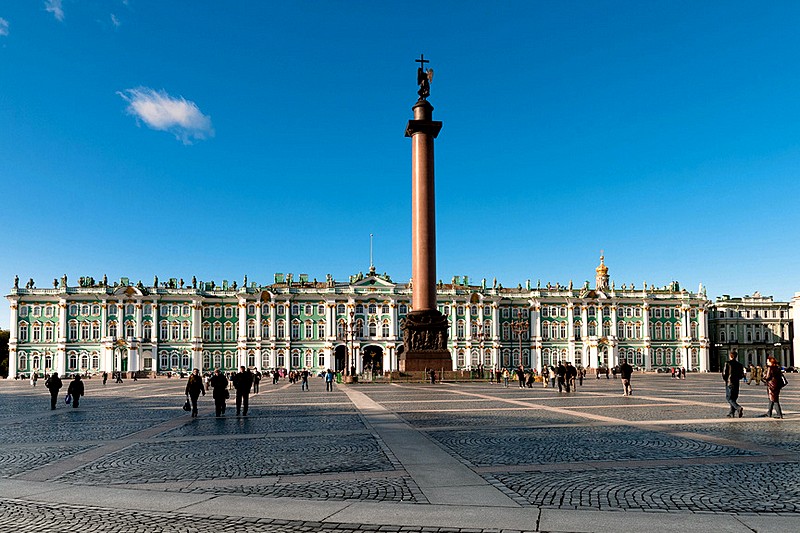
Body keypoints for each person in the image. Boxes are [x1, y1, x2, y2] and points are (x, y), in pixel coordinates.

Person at [722, 351, 744, 418]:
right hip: (736, 383)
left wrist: (726, 380)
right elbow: (741, 375)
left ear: (730, 356)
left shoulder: (727, 363)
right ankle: (731, 413)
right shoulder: (739, 364)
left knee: (729, 398)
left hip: (729, 382)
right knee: (734, 398)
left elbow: (724, 374)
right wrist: (737, 378)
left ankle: (738, 407)